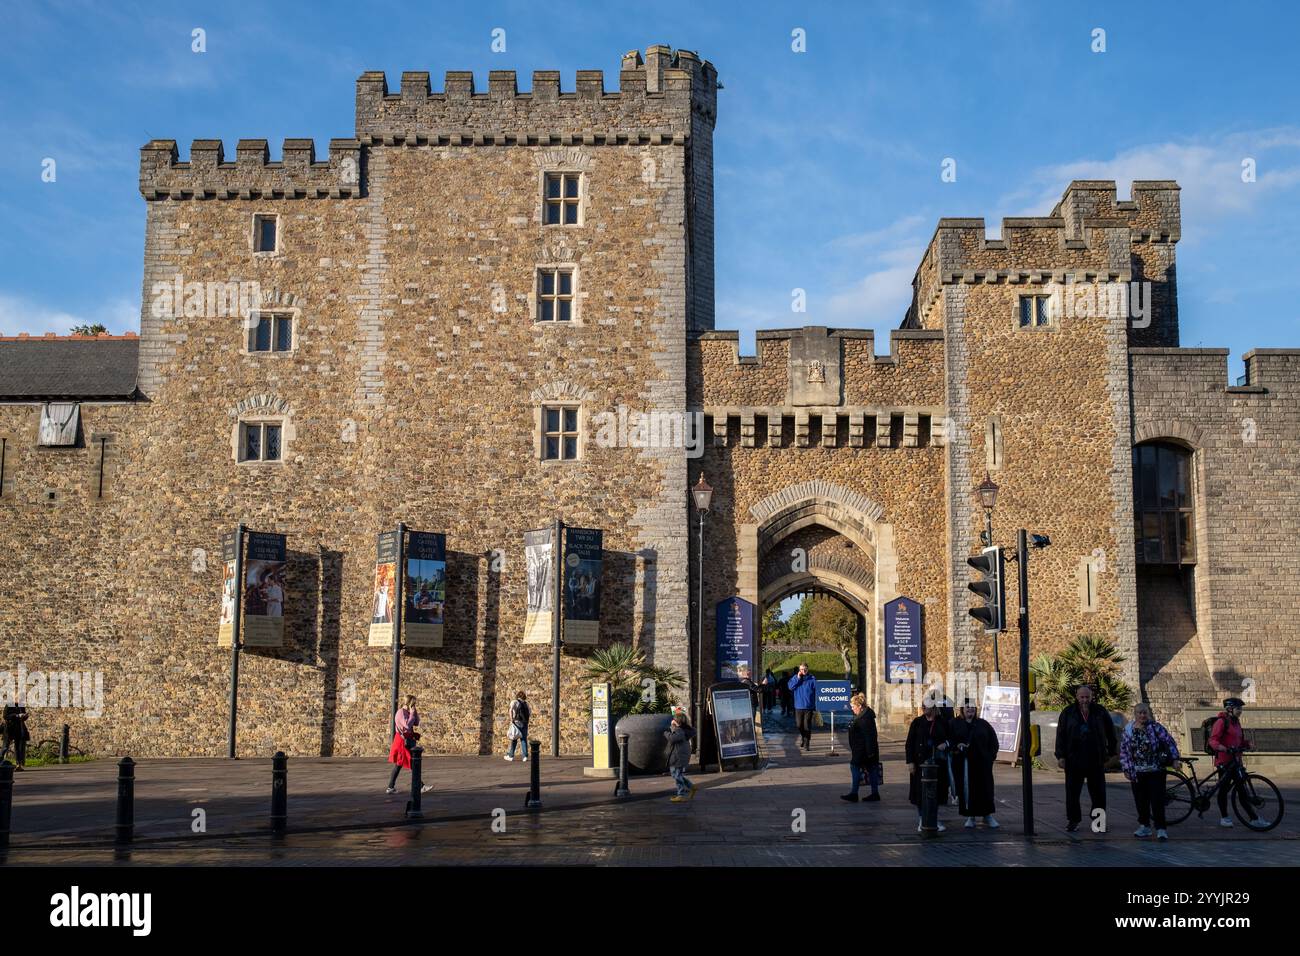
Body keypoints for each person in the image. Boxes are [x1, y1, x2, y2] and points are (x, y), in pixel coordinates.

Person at [1054, 684, 1118, 832]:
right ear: (1077, 697)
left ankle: (1099, 822)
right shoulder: (1068, 712)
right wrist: (1061, 756)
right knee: (1072, 792)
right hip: (1073, 759)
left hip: (1095, 758)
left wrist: (1111, 753)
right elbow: (1060, 736)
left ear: (1092, 697)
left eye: (1087, 697)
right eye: (1082, 697)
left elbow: (1111, 733)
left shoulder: (1100, 712)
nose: (1084, 700)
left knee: (1099, 794)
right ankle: (1073, 820)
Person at [1120, 701, 1179, 840]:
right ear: (1135, 715)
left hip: (1156, 770)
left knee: (1157, 800)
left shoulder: (1156, 728)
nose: (1142, 715)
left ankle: (1161, 828)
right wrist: (1126, 768)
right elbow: (1124, 751)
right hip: (1137, 771)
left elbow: (1169, 742)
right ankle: (1144, 826)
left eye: (1144, 712)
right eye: (1139, 713)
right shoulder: (1128, 730)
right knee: (1141, 801)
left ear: (1148, 713)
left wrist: (1175, 758)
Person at [949, 700, 1000, 828]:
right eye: (967, 707)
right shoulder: (954, 724)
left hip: (982, 764)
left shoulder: (983, 724)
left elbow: (993, 741)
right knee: (967, 790)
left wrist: (990, 757)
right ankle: (970, 817)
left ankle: (987, 816)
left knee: (985, 790)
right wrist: (956, 746)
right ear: (962, 709)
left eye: (972, 707)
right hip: (964, 764)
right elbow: (949, 740)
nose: (970, 709)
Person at [905, 698, 950, 832]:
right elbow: (909, 744)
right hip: (919, 764)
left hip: (937, 764)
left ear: (934, 707)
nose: (924, 708)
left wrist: (946, 744)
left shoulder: (942, 723)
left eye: (927, 706)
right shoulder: (917, 723)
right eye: (923, 706)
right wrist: (910, 762)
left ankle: (934, 819)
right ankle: (921, 819)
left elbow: (951, 738)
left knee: (936, 793)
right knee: (920, 793)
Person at [1208, 697, 1252, 827]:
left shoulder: (1236, 723)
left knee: (1241, 789)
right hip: (1224, 762)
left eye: (1241, 709)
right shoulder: (1221, 722)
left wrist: (1247, 744)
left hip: (1236, 761)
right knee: (1224, 790)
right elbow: (1213, 741)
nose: (1240, 711)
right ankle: (1224, 817)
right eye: (1238, 708)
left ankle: (1254, 818)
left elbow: (1239, 740)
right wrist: (1223, 748)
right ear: (1230, 709)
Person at [387, 695, 432, 794]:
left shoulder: (408, 712)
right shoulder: (400, 713)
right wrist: (411, 714)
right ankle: (421, 786)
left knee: (400, 764)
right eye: (414, 703)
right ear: (409, 702)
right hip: (402, 741)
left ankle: (390, 787)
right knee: (412, 763)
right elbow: (407, 725)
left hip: (408, 740)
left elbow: (416, 722)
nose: (414, 705)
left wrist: (414, 713)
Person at [842, 693, 880, 803]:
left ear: (859, 706)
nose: (852, 709)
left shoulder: (864, 719)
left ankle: (854, 793)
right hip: (864, 750)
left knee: (855, 767)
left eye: (853, 707)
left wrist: (870, 753)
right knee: (872, 769)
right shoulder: (864, 716)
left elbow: (869, 736)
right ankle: (874, 793)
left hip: (863, 750)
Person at [665, 712, 696, 802]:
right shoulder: (684, 729)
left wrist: (667, 732)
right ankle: (691, 787)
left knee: (677, 775)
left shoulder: (679, 730)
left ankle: (681, 794)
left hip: (678, 756)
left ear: (676, 721)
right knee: (677, 774)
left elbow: (672, 738)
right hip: (681, 755)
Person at [787, 663, 819, 751]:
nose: (803, 671)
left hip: (809, 706)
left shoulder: (812, 678)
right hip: (798, 706)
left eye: (805, 669)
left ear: (808, 669)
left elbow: (817, 690)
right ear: (799, 670)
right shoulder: (795, 678)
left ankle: (807, 742)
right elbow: (790, 687)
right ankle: (803, 737)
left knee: (807, 726)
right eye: (801, 669)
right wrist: (797, 678)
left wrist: (817, 705)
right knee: (799, 725)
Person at [2, 704, 30, 770]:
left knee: (18, 747)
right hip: (10, 728)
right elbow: (5, 716)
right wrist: (17, 715)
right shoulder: (9, 705)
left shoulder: (21, 705)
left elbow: (23, 718)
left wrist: (25, 716)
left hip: (19, 728)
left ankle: (18, 765)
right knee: (5, 747)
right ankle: (0, 761)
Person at [504, 690, 531, 761]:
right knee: (523, 739)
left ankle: (511, 756)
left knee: (514, 739)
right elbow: (530, 713)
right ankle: (525, 756)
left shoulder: (514, 702)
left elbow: (511, 710)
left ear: (518, 696)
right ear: (524, 696)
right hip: (525, 723)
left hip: (516, 722)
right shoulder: (526, 704)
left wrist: (511, 719)